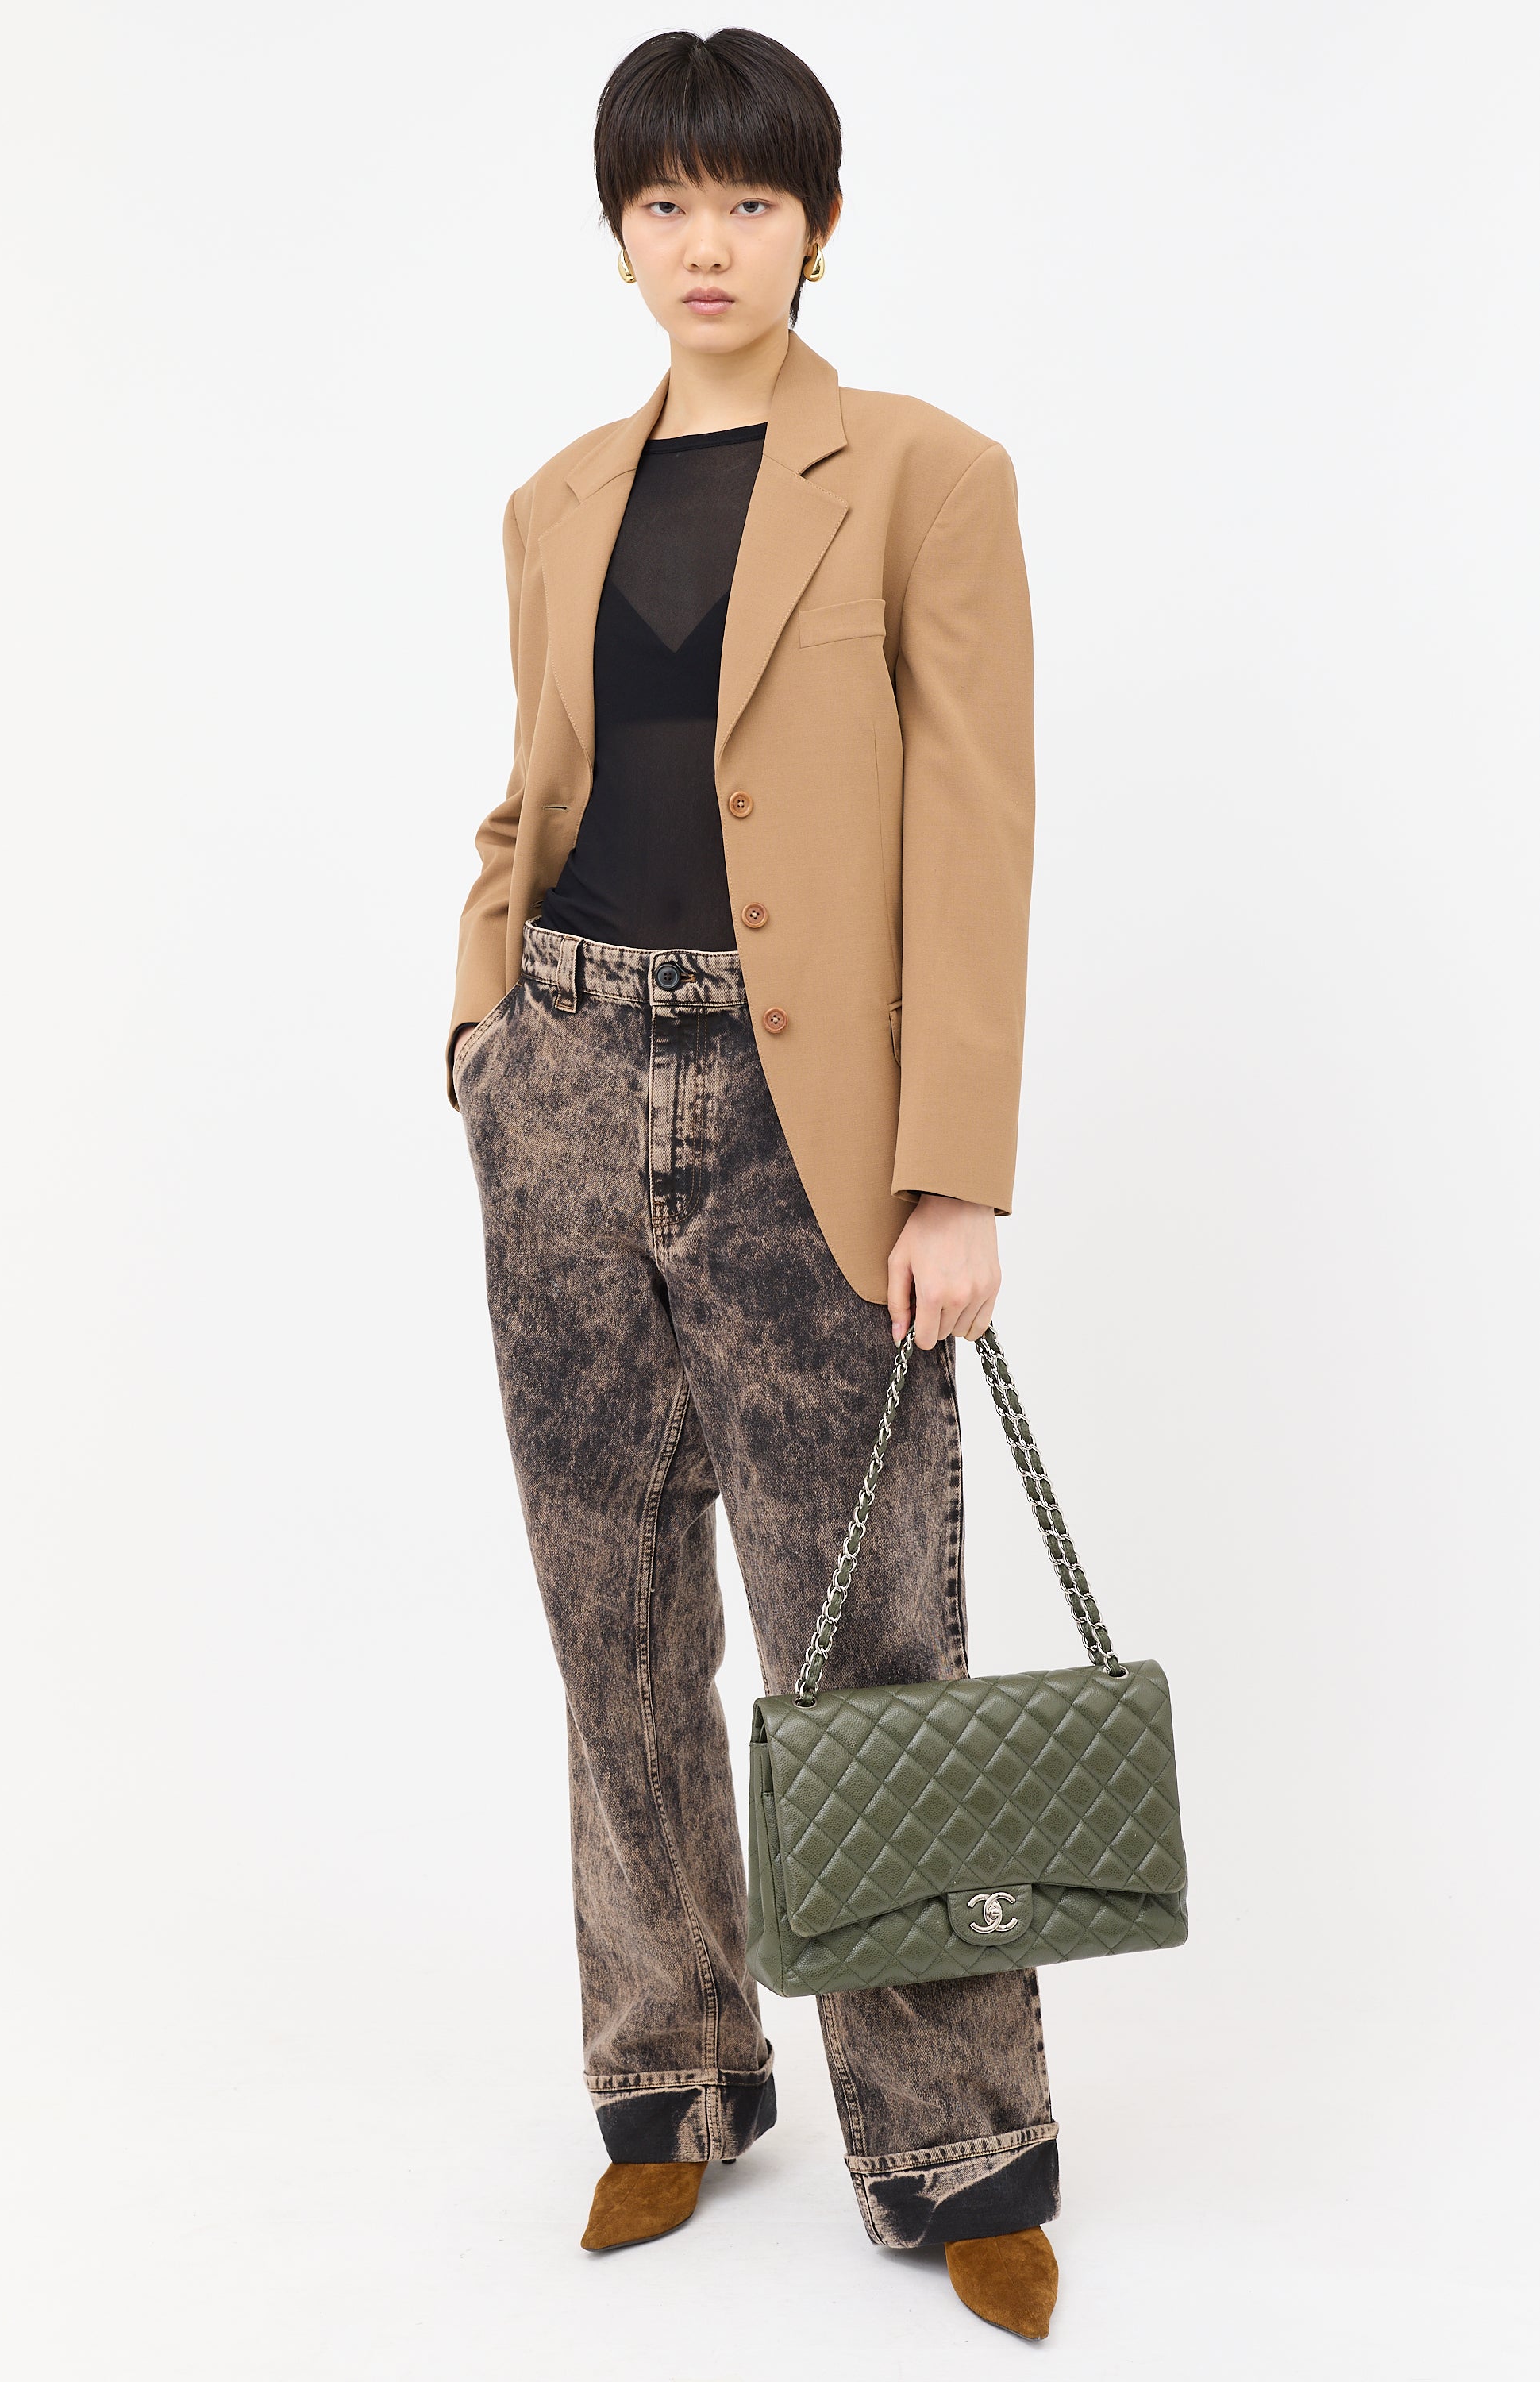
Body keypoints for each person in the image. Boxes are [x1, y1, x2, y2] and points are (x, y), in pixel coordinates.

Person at [449, 27, 1057, 2339]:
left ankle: (955, 2140)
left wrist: (950, 1174)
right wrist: (482, 1036)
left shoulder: (923, 475)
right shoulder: (552, 502)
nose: (707, 244)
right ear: (617, 234)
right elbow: (531, 792)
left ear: (818, 226)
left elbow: (976, 832)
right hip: (566, 1088)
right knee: (610, 1619)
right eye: (666, 204)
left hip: (814, 1130)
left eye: (750, 202)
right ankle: (670, 2081)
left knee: (866, 1631)